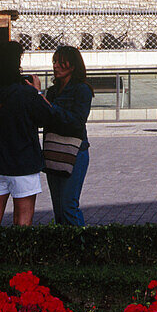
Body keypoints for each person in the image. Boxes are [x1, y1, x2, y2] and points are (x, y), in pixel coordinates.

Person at [0, 40, 55, 227]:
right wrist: (37, 91)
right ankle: (18, 257)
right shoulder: (25, 92)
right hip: (23, 161)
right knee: (23, 221)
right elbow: (48, 116)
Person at [43, 46, 93, 226]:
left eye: (59, 62)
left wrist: (49, 107)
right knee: (58, 208)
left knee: (68, 205)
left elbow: (77, 121)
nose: (55, 66)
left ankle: (81, 247)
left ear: (71, 66)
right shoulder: (53, 91)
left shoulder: (82, 90)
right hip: (54, 151)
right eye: (54, 62)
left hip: (75, 151)